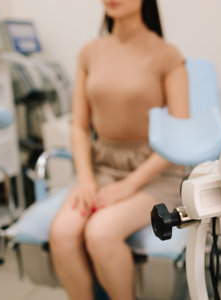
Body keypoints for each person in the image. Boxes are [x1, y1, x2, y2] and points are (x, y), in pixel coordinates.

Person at [49, 0, 189, 299]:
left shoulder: (167, 55)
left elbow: (178, 136)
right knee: (62, 234)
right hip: (101, 167)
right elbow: (80, 126)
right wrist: (86, 179)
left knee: (100, 233)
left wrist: (130, 185)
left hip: (153, 171)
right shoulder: (90, 52)